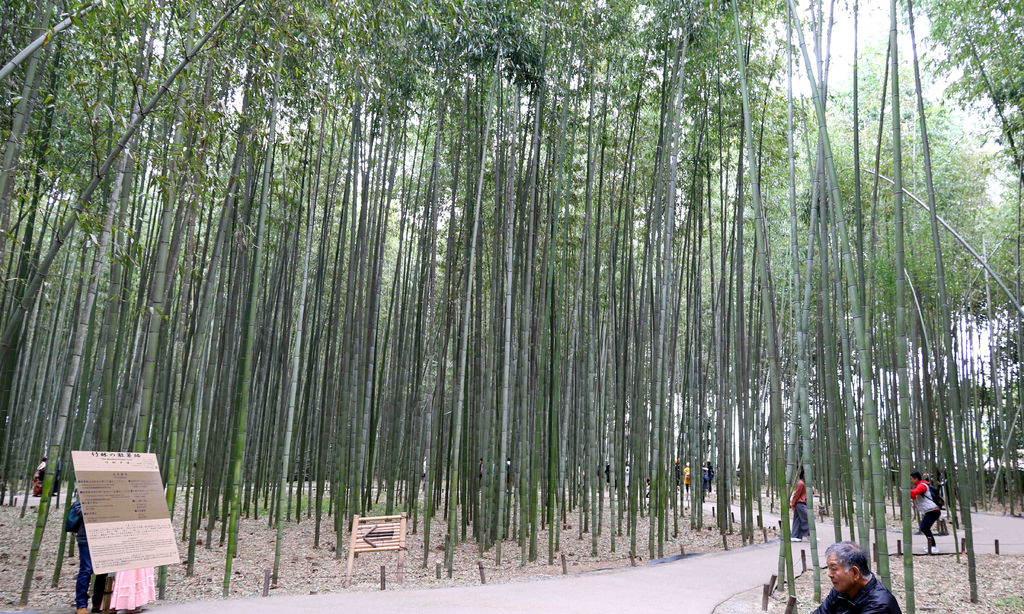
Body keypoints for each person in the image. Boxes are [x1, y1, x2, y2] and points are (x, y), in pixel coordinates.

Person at [814, 541, 902, 614]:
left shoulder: (880, 605)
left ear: (855, 573)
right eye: (829, 568)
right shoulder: (841, 590)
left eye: (834, 568)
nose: (829, 574)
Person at [74, 500, 108, 614]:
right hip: (87, 538)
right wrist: (97, 508)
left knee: (103, 571)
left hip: (105, 537)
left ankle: (97, 603)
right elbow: (77, 510)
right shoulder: (88, 489)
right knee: (86, 570)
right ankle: (81, 605)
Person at [910, 470, 941, 554]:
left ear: (916, 479)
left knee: (924, 527)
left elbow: (916, 492)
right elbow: (913, 496)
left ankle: (933, 546)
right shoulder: (919, 485)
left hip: (933, 510)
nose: (911, 480)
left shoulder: (922, 485)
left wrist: (906, 490)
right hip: (931, 510)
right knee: (925, 527)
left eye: (911, 479)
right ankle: (931, 545)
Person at [790, 468, 809, 542]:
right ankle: (809, 535)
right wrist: (793, 504)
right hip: (800, 504)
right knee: (808, 518)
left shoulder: (805, 483)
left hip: (801, 503)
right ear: (804, 474)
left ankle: (795, 536)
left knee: (797, 520)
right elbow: (796, 495)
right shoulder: (801, 483)